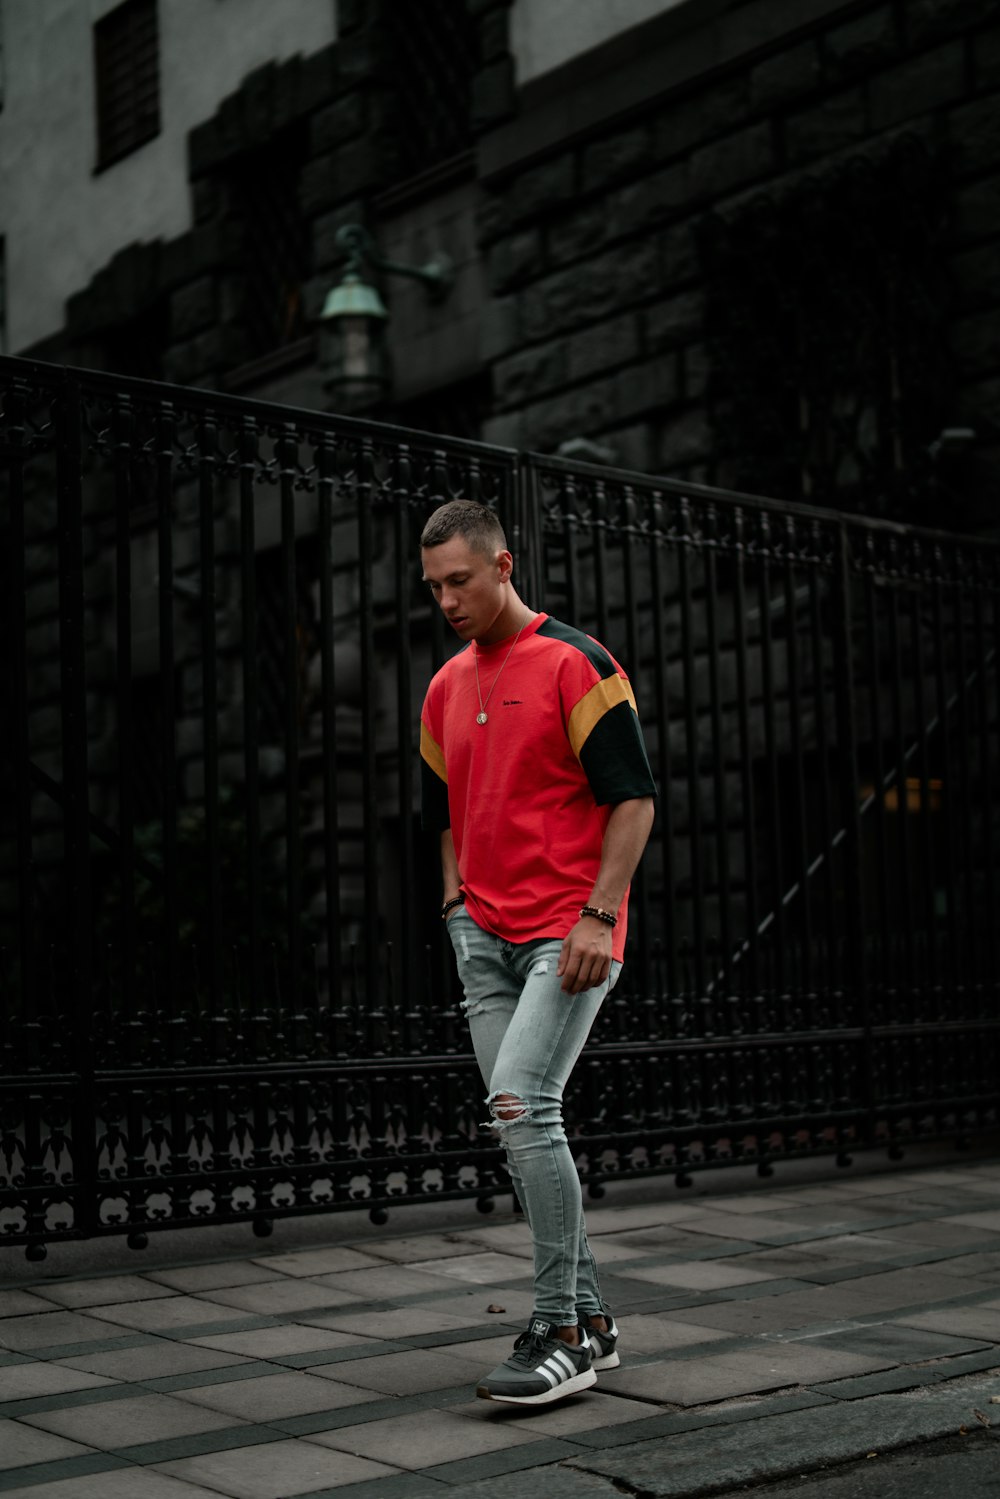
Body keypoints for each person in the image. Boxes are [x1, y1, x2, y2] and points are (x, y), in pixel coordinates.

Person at [419, 498, 656, 1406]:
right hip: (483, 936)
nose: (447, 599)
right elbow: (441, 813)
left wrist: (600, 914)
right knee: (523, 1133)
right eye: (435, 585)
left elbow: (632, 797)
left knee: (524, 1104)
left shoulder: (576, 663)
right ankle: (593, 1319)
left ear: (504, 566)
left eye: (461, 580)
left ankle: (558, 1330)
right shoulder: (444, 685)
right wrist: (455, 910)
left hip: (569, 930)